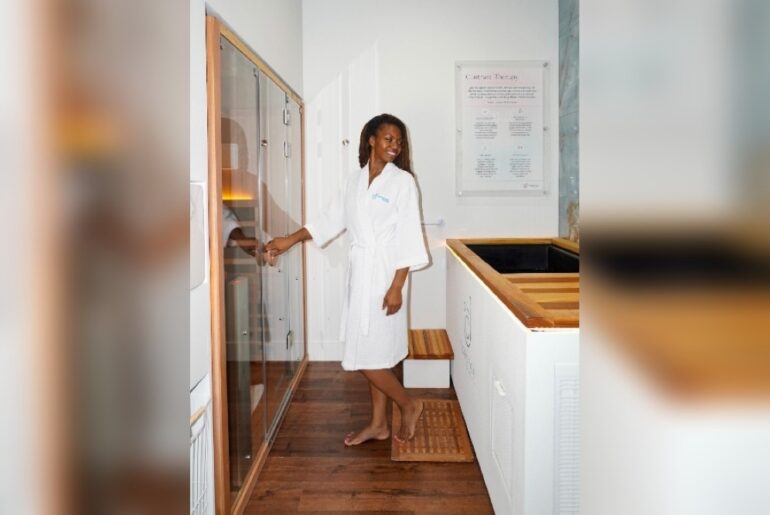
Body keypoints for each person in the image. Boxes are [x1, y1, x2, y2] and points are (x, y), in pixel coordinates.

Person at [265, 113, 429, 445]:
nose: (395, 146)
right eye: (388, 139)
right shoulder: (353, 182)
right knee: (373, 351)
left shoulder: (403, 182)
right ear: (371, 139)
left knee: (368, 355)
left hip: (386, 274)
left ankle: (409, 404)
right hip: (361, 275)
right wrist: (288, 240)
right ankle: (379, 425)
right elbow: (326, 221)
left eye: (399, 141)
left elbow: (409, 236)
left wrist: (397, 286)